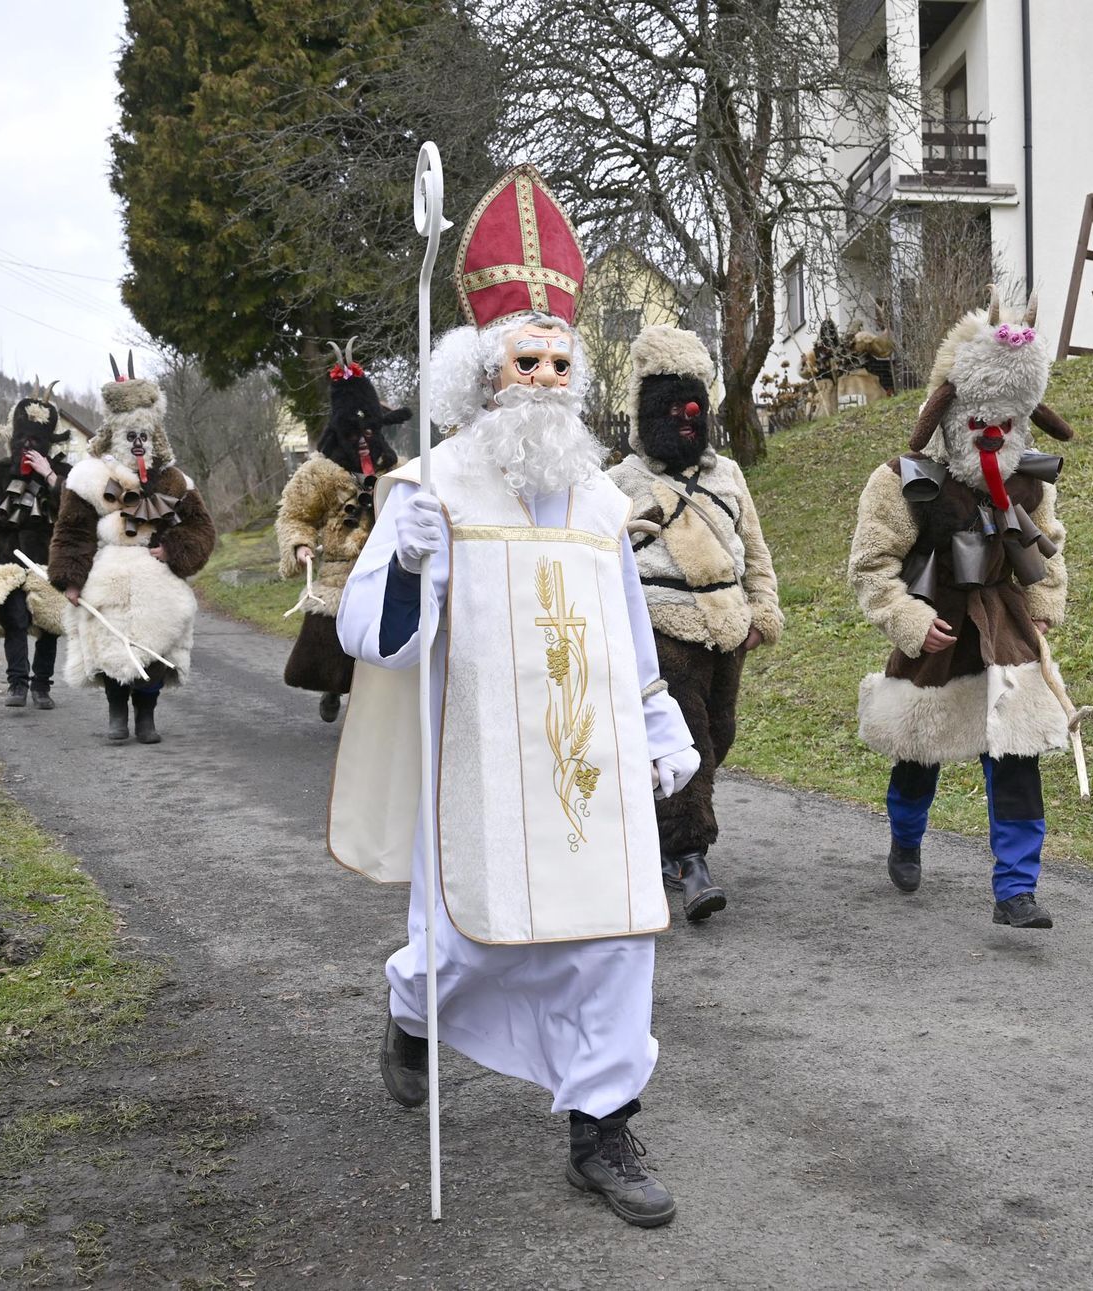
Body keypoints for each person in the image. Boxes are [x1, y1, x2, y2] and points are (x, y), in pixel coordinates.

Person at [327, 166, 700, 1229]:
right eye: (522, 363)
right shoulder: (430, 488)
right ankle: (412, 1012)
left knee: (618, 936)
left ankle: (602, 1127)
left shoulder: (596, 498)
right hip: (481, 769)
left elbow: (628, 623)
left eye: (557, 363)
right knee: (468, 946)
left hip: (590, 766)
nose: (540, 380)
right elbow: (370, 639)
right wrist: (401, 563)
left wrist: (656, 717)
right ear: (486, 379)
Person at [846, 288, 1078, 929]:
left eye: (1008, 421)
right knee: (918, 755)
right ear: (950, 412)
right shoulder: (902, 482)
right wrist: (911, 622)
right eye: (982, 421)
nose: (995, 435)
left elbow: (1048, 548)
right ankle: (905, 836)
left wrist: (1044, 605)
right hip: (938, 629)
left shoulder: (1031, 480)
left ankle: (1016, 890)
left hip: (1005, 632)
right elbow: (871, 565)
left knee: (1016, 760)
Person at [607, 325, 783, 920]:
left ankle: (654, 836)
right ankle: (692, 861)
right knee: (692, 744)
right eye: (671, 405)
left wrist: (763, 611)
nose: (686, 416)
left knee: (718, 736)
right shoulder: (616, 486)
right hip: (661, 629)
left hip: (727, 627)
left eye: (694, 405)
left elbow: (754, 551)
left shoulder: (729, 475)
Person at [48, 356, 217, 745]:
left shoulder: (175, 481)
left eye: (143, 436)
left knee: (156, 644)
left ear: (154, 435)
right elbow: (71, 532)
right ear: (115, 434)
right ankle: (115, 714)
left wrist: (173, 549)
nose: (137, 444)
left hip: (156, 574)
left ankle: (146, 715)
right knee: (107, 642)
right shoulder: (89, 478)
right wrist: (70, 579)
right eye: (130, 437)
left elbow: (200, 527)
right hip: (107, 571)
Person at [276, 339, 409, 722]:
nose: (363, 438)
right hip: (338, 570)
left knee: (382, 642)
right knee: (332, 644)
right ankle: (333, 689)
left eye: (369, 429)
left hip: (386, 567)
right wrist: (300, 545)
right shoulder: (319, 472)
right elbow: (295, 514)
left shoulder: (396, 468)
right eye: (355, 431)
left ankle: (372, 711)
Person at [0, 385, 73, 709]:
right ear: (14, 439)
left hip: (47, 559)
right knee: (14, 618)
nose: (29, 446)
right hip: (8, 560)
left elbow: (73, 510)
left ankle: (42, 686)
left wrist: (49, 475)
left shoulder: (63, 473)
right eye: (23, 440)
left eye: (36, 441)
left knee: (49, 622)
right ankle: (17, 684)